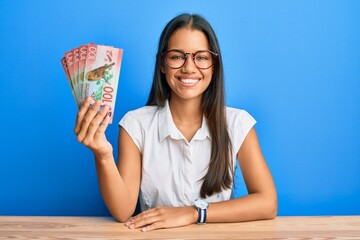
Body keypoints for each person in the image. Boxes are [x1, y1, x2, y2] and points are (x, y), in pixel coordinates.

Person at [74, 13, 277, 232]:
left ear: (214, 65)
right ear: (162, 64)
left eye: (201, 57)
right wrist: (102, 155)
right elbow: (123, 210)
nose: (189, 68)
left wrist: (193, 213)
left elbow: (267, 203)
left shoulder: (238, 124)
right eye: (177, 57)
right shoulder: (135, 125)